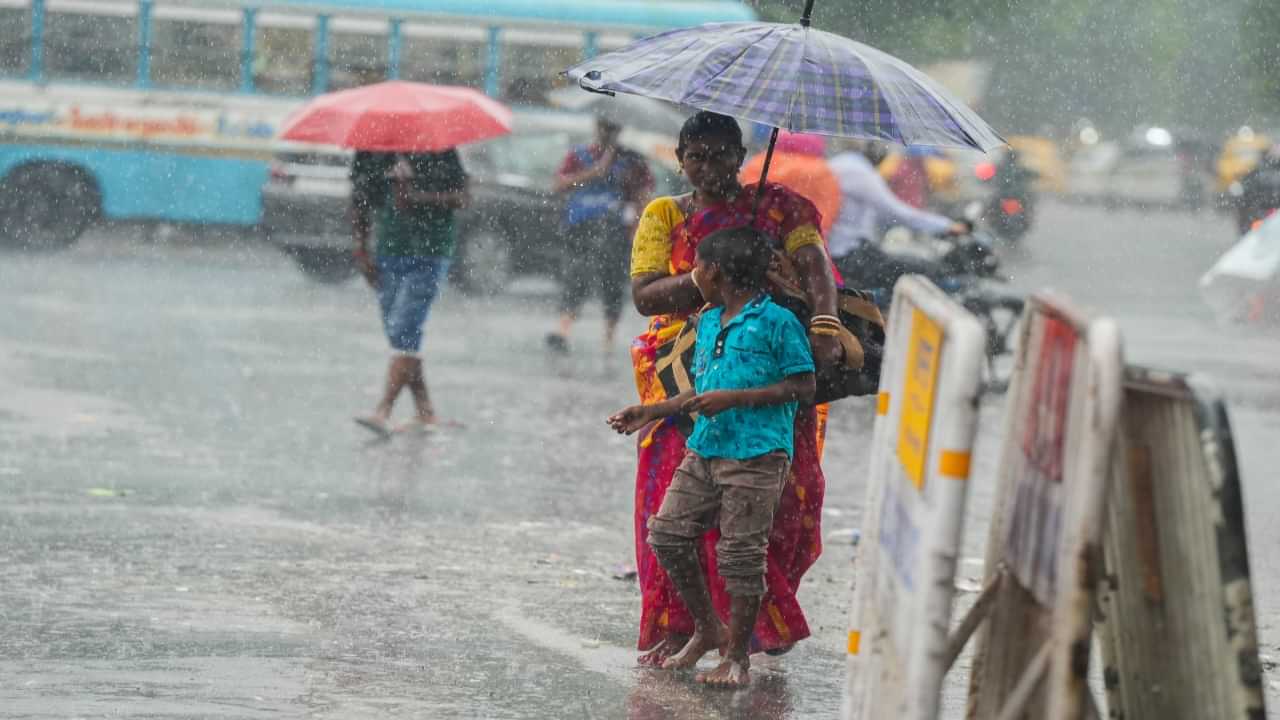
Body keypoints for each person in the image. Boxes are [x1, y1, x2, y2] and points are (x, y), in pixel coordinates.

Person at [626, 110, 843, 666]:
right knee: (675, 514)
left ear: (740, 157)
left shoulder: (779, 208)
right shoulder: (665, 214)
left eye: (719, 153)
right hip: (685, 373)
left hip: (764, 373)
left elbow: (815, 265)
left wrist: (822, 322)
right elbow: (646, 297)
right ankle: (686, 625)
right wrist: (708, 279)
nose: (707, 166)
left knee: (767, 512)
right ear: (679, 160)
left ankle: (747, 633)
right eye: (694, 155)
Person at [609, 226, 816, 687]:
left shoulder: (778, 322)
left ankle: (736, 658)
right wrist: (652, 411)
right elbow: (702, 391)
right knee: (666, 534)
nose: (693, 273)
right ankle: (708, 627)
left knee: (741, 554)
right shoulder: (706, 320)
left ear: (716, 271)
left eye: (697, 265)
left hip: (757, 454)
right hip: (704, 447)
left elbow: (804, 387)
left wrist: (736, 398)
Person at [350, 149, 469, 436]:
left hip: (431, 251)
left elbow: (462, 197)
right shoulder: (371, 151)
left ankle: (383, 410)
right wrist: (362, 250)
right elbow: (360, 201)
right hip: (389, 251)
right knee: (399, 334)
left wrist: (416, 197)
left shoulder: (441, 151)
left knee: (405, 327)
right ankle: (425, 412)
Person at [547, 116, 654, 353]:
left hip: (616, 230)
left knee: (613, 282)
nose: (608, 133)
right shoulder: (579, 155)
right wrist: (593, 173)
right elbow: (558, 184)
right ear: (597, 128)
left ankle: (609, 338)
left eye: (612, 128)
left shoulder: (632, 160)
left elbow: (644, 193)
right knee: (577, 275)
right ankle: (563, 327)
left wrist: (638, 223)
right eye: (604, 127)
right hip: (581, 227)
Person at [827, 140, 968, 286]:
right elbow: (895, 211)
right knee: (923, 269)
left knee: (904, 265)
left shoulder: (839, 163)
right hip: (847, 253)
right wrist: (946, 226)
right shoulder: (858, 171)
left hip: (842, 250)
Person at [739, 131, 841, 237]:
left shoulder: (761, 162)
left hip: (761, 233)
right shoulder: (822, 170)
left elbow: (747, 196)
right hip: (805, 236)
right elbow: (829, 207)